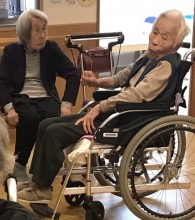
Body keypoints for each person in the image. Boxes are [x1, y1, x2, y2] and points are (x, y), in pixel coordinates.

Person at [17, 9, 190, 204]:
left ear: (176, 44)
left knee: (54, 133)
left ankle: (42, 190)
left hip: (128, 121)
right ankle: (36, 182)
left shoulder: (165, 67)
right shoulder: (148, 57)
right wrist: (96, 82)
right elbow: (121, 78)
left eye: (164, 37)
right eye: (154, 32)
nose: (155, 40)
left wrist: (99, 108)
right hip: (117, 113)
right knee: (46, 124)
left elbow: (135, 95)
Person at [0, 9, 80, 184]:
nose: (42, 35)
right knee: (30, 117)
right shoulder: (11, 51)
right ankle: (20, 164)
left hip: (46, 96)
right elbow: (1, 84)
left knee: (51, 119)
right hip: (21, 96)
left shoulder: (51, 48)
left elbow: (73, 73)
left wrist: (67, 103)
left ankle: (40, 169)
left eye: (44, 29)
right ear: (25, 33)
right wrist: (9, 108)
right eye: (37, 30)